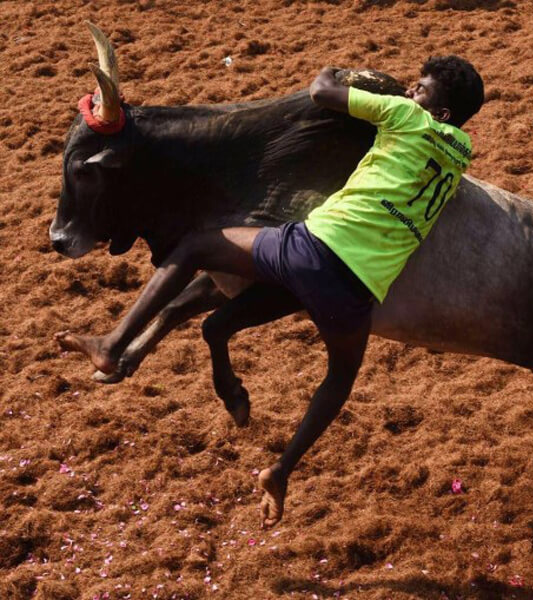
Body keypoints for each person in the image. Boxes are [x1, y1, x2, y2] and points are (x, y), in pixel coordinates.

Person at [56, 56, 485, 528]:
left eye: (420, 89)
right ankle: (281, 470)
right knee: (338, 381)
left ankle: (114, 344)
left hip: (313, 250)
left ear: (438, 112)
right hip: (359, 288)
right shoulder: (461, 151)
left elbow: (322, 91)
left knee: (198, 245)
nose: (410, 93)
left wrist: (344, 72)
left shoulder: (404, 116)